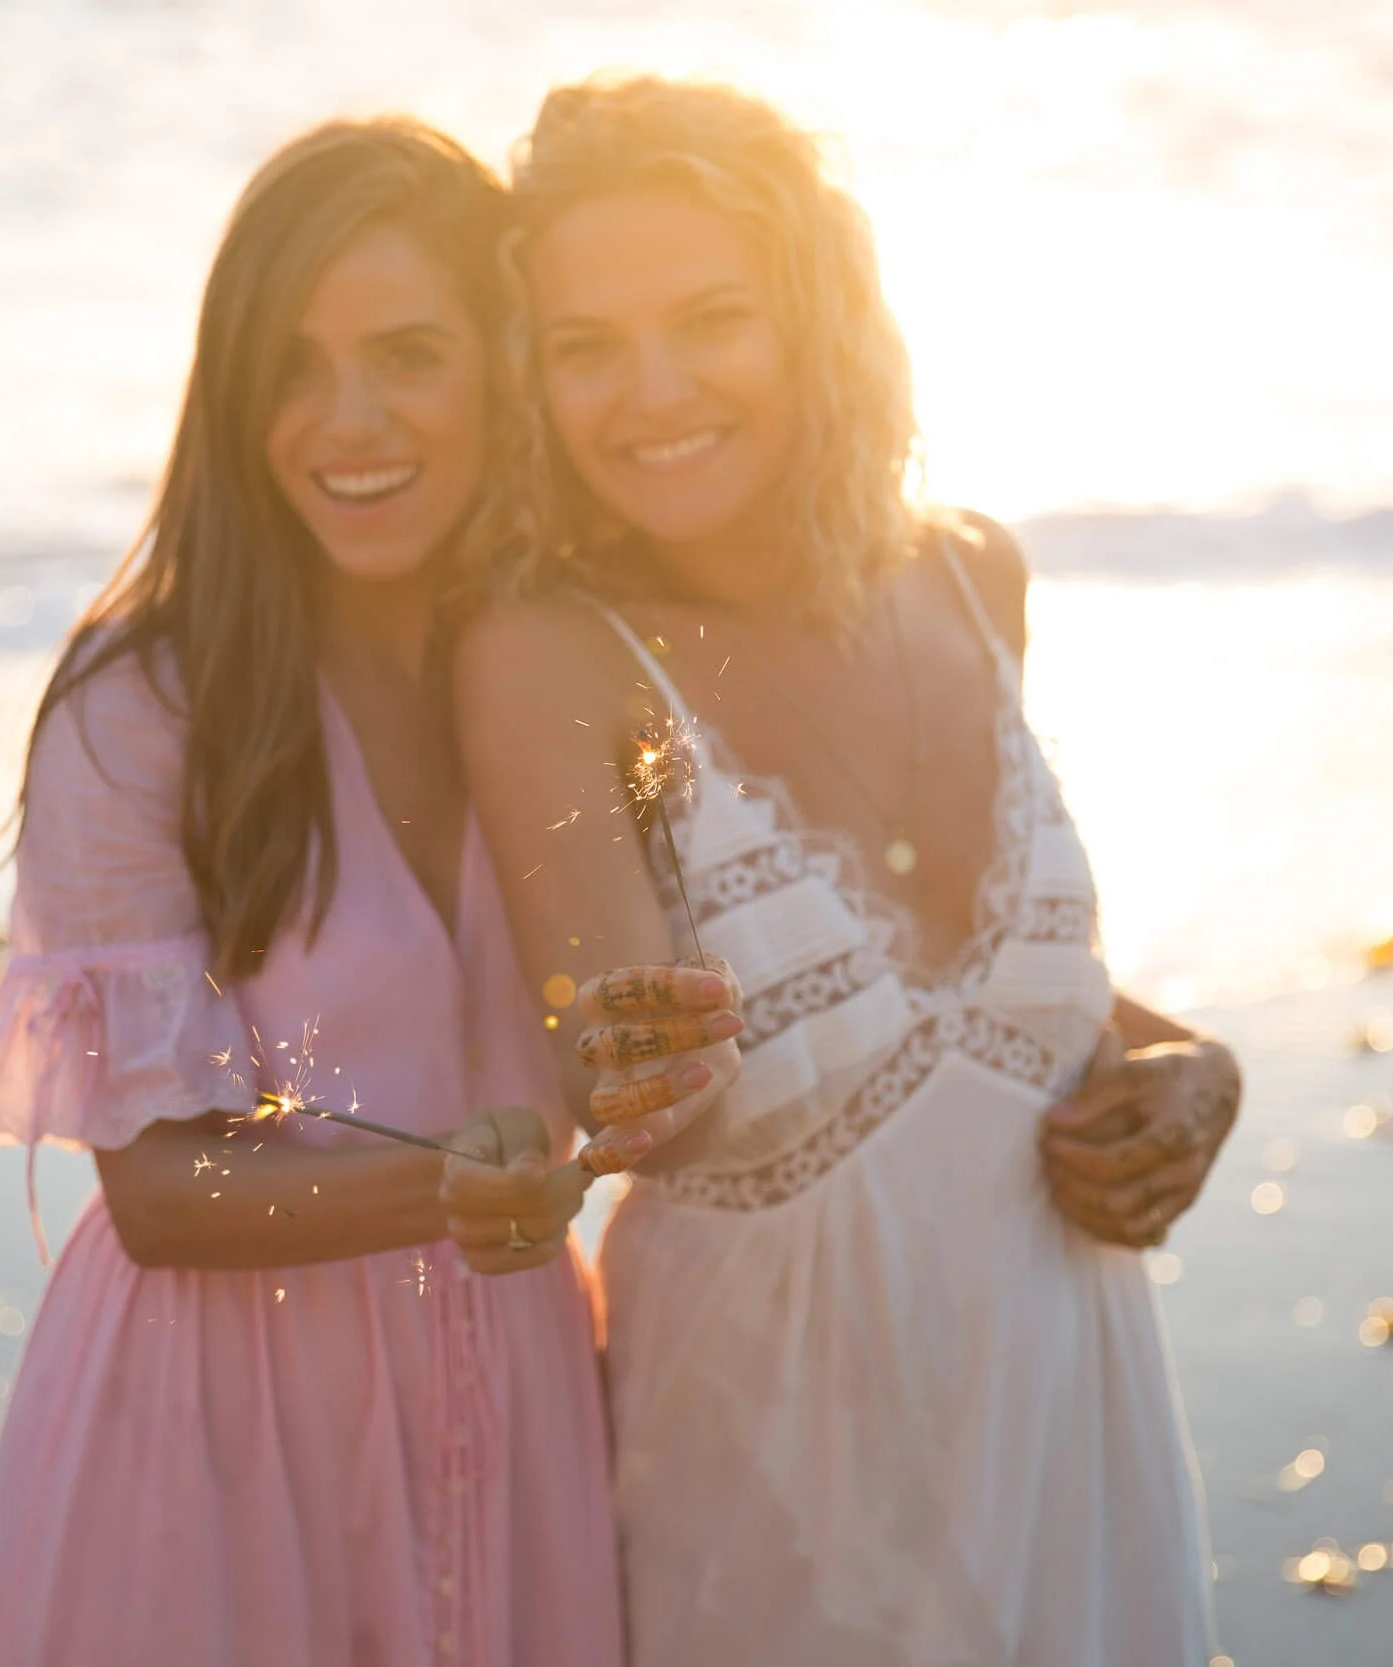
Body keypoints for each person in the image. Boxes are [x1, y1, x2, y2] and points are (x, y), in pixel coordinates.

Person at [457, 76, 1241, 1664]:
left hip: (1071, 1427)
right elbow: (625, 1079)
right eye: (582, 344)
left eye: (709, 319)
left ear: (817, 317)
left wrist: (1194, 1071)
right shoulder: (554, 657)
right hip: (772, 1492)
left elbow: (998, 1016)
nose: (649, 389)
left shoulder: (972, 575)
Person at [0, 120, 621, 1667]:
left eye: (408, 353)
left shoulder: (567, 668)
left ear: (506, 367)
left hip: (515, 1392)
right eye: (294, 366)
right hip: (220, 1430)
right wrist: (451, 1186)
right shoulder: (142, 710)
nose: (348, 420)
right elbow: (160, 1194)